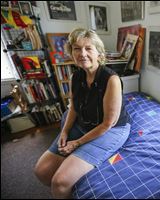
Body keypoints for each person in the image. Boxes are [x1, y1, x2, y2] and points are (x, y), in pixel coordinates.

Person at [34, 28, 130, 198]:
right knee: (41, 171)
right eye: (77, 48)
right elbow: (74, 108)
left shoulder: (111, 80)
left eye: (88, 48)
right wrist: (64, 131)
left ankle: (68, 177)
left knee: (60, 181)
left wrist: (76, 143)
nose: (82, 53)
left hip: (111, 129)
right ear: (71, 53)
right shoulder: (75, 77)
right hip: (85, 122)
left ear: (99, 53)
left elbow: (108, 123)